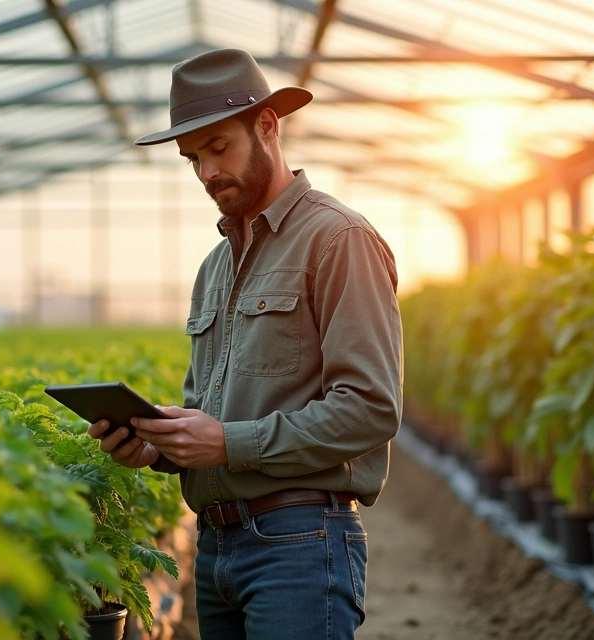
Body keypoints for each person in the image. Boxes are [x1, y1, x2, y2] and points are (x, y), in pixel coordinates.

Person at [86, 48, 403, 639]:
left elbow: (371, 409)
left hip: (300, 544)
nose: (206, 172)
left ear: (267, 126)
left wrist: (229, 442)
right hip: (216, 547)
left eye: (218, 148)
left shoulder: (338, 240)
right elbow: (212, 420)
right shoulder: (215, 267)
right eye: (193, 158)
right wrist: (158, 447)